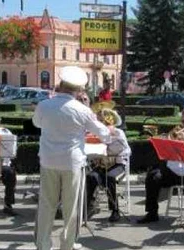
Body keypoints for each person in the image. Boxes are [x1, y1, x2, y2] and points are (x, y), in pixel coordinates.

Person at [33, 66, 114, 250]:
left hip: (48, 160)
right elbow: (104, 134)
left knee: (47, 205)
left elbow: (37, 123)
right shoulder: (81, 109)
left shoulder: (44, 105)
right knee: (70, 208)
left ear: (60, 85)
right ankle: (67, 245)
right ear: (78, 90)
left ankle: (43, 244)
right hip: (71, 162)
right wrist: (108, 130)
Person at [137, 109, 184, 229]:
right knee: (153, 176)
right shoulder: (177, 134)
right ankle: (152, 213)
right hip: (175, 170)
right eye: (183, 121)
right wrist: (169, 142)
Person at [86, 108, 131, 222]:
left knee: (109, 177)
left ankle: (115, 210)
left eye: (103, 121)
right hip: (101, 165)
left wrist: (111, 136)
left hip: (118, 163)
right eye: (100, 121)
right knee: (91, 177)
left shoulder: (118, 132)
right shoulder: (96, 134)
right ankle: (88, 207)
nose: (101, 124)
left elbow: (124, 150)